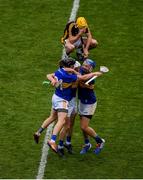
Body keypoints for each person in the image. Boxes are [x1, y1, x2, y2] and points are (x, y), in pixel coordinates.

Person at [33, 57, 102, 155]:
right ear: (71, 66)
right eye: (75, 67)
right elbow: (79, 81)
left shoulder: (60, 71)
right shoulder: (70, 77)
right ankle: (57, 143)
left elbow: (49, 75)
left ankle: (39, 132)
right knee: (65, 124)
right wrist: (94, 74)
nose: (77, 69)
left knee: (55, 118)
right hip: (65, 100)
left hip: (62, 98)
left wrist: (53, 80)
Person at [78, 59, 106, 155]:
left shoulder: (92, 79)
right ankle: (87, 144)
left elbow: (84, 82)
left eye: (86, 66)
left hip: (89, 103)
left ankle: (100, 141)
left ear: (90, 69)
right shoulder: (81, 71)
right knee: (82, 127)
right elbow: (80, 78)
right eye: (84, 65)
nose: (84, 66)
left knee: (84, 126)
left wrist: (85, 84)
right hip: (81, 101)